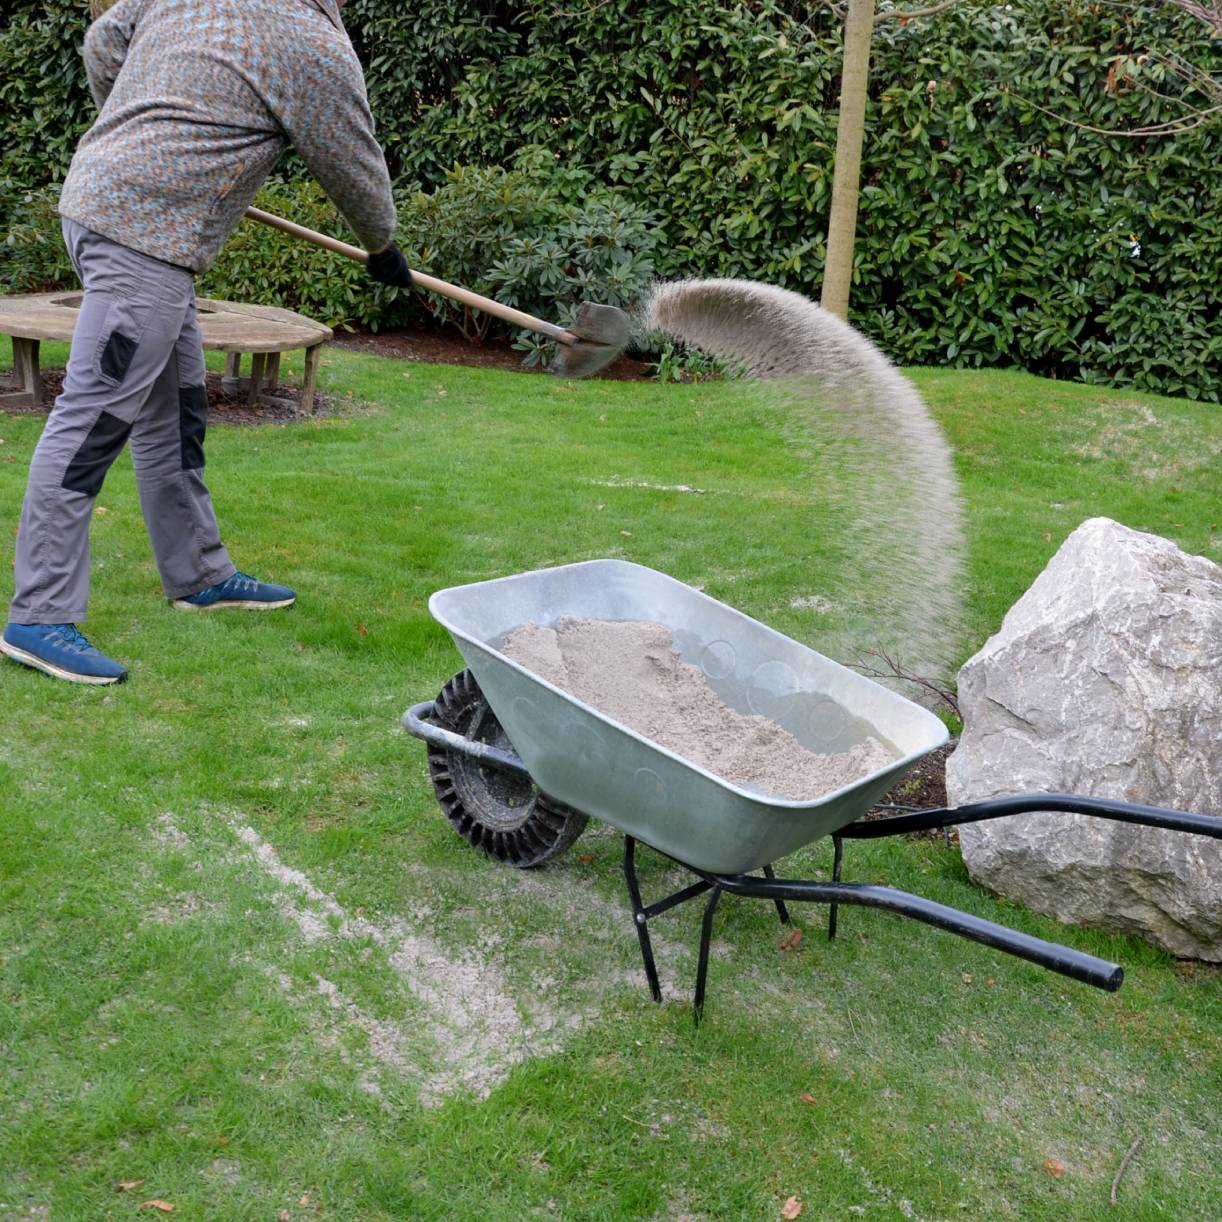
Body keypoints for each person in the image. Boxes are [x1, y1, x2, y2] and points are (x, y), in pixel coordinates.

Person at [1, 0, 411, 686]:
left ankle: (198, 573)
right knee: (94, 421)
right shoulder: (311, 43)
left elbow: (106, 38)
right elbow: (353, 163)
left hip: (127, 220)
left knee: (179, 409)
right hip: (141, 237)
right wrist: (382, 246)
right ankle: (38, 616)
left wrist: (133, 126)